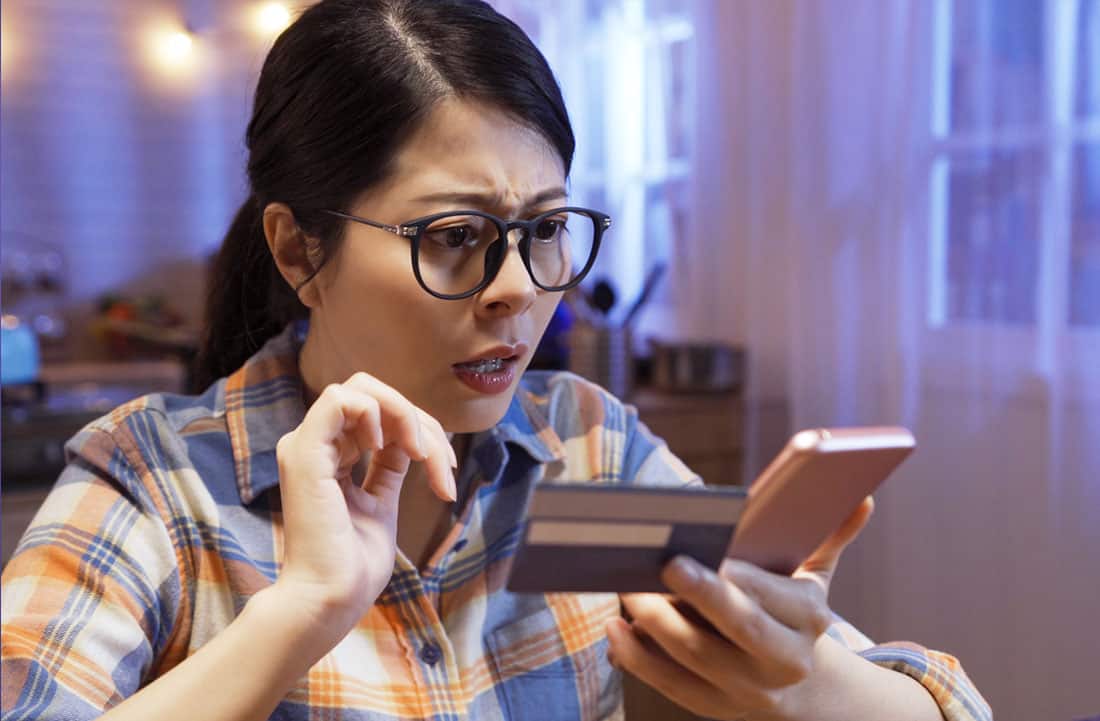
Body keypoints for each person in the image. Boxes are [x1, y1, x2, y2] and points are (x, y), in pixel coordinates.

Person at [0, 1, 992, 719]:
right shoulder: (156, 483)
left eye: (547, 228)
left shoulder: (584, 451)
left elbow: (944, 707)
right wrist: (298, 611)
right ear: (300, 249)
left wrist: (799, 678)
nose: (518, 287)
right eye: (454, 233)